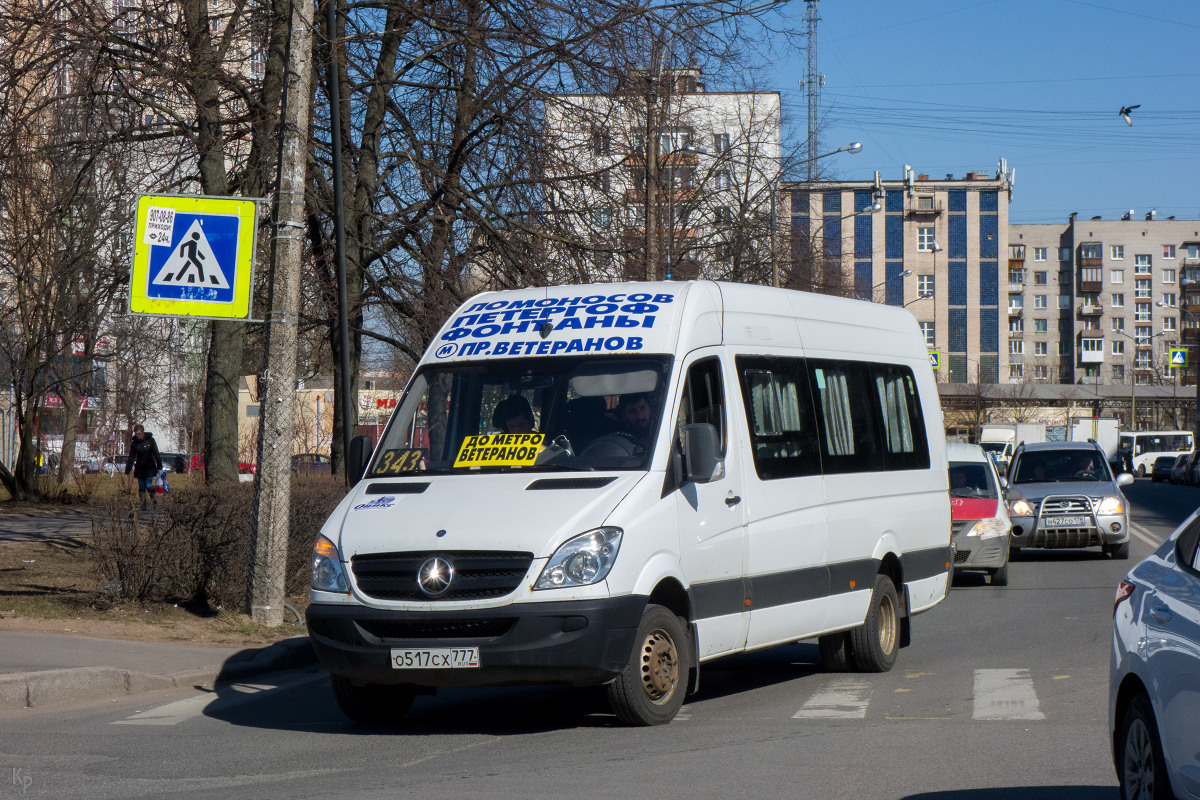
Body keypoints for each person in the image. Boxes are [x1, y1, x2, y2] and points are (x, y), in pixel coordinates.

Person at [125, 424, 163, 510]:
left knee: (148, 485)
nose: (137, 435)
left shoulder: (150, 440)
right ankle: (143, 505)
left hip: (149, 466)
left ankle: (154, 502)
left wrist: (159, 465)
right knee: (141, 486)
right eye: (136, 434)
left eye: (139, 433)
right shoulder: (134, 443)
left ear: (143, 432)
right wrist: (128, 468)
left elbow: (156, 453)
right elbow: (131, 457)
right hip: (140, 467)